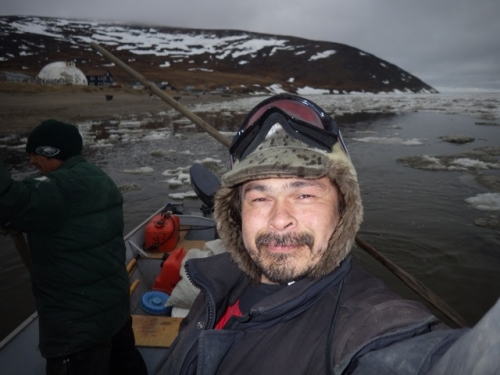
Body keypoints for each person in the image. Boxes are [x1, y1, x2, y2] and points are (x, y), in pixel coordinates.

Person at [153, 94, 500, 374]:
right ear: (236, 212)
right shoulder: (215, 283)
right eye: (260, 197)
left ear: (342, 210)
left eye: (304, 195)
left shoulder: (364, 325)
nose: (279, 219)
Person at [0, 120, 147, 375]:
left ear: (49, 152)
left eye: (34, 154)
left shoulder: (58, 190)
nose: (32, 162)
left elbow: (6, 202)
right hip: (114, 315)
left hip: (77, 331)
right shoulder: (100, 179)